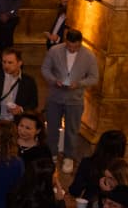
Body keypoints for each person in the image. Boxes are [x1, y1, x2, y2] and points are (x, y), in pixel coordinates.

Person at [40, 29, 97, 157]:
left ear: (80, 43)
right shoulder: (54, 51)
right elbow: (45, 69)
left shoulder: (89, 56)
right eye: (69, 46)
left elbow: (94, 78)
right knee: (52, 128)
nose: (72, 49)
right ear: (66, 41)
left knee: (72, 130)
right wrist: (54, 80)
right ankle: (51, 154)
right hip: (55, 97)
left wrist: (79, 84)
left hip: (75, 99)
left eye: (75, 47)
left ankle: (69, 157)